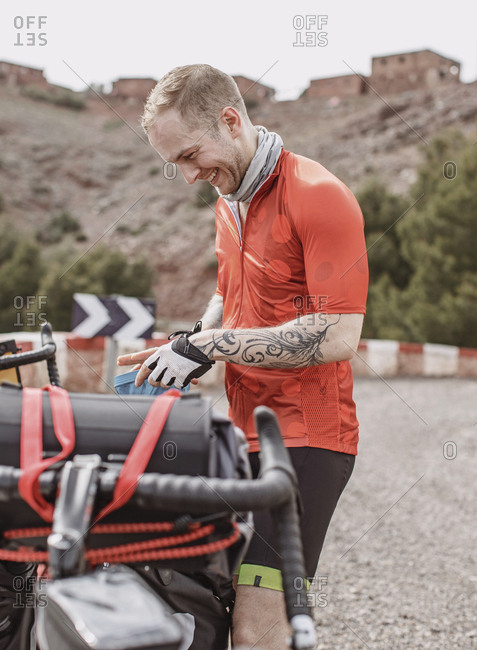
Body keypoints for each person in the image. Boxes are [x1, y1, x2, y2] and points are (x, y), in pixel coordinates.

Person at [117, 63, 368, 649]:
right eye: (174, 162)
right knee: (205, 600)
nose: (186, 176)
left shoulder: (318, 195)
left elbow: (337, 334)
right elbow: (230, 294)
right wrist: (187, 343)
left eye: (189, 155)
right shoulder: (230, 197)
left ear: (231, 121)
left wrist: (211, 345)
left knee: (258, 627)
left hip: (307, 442)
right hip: (241, 435)